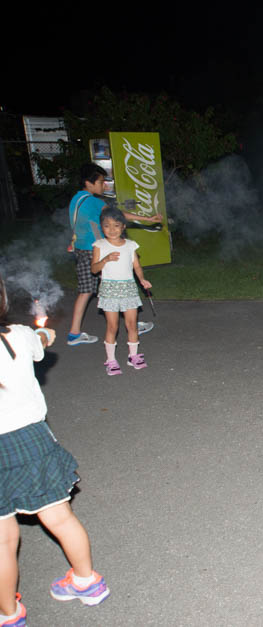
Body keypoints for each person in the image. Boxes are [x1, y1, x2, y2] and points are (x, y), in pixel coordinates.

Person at [0, 274, 110, 627]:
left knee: (2, 541)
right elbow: (39, 344)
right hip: (32, 440)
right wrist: (42, 334)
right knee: (61, 518)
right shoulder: (18, 335)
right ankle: (86, 582)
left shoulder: (19, 335)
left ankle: (9, 615)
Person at [67, 164, 159, 347]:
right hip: (98, 250)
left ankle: (74, 333)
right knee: (118, 283)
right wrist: (147, 219)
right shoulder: (93, 201)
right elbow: (117, 216)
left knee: (93, 290)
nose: (104, 185)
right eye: (101, 182)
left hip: (82, 248)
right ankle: (131, 323)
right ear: (89, 183)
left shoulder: (76, 199)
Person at [90, 208, 153, 376]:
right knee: (112, 326)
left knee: (132, 325)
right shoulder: (100, 245)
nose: (112, 229)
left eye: (116, 225)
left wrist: (142, 280)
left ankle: (133, 356)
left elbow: (137, 266)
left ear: (123, 227)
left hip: (128, 288)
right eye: (107, 225)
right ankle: (111, 360)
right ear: (101, 227)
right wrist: (105, 259)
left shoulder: (130, 245)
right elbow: (94, 269)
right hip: (110, 289)